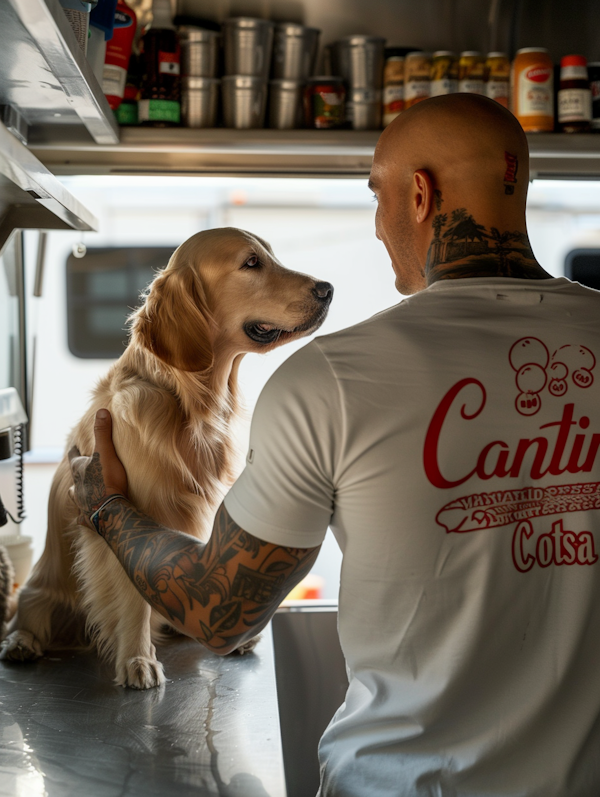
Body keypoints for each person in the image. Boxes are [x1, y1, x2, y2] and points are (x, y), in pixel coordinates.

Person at [69, 93, 600, 796]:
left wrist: (109, 506)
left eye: (376, 196)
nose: (378, 229)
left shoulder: (332, 378)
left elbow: (218, 613)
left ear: (419, 195)